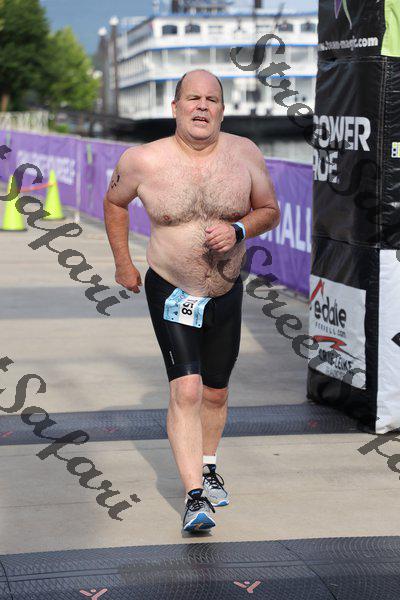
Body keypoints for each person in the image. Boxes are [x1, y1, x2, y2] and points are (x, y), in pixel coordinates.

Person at [104, 69, 280, 532]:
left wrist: (239, 229)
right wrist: (123, 262)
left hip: (225, 288)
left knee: (216, 391)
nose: (202, 106)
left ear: (222, 109)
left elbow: (269, 210)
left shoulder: (245, 153)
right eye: (193, 98)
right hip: (171, 287)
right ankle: (194, 497)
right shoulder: (142, 160)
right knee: (187, 389)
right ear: (176, 106)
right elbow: (115, 202)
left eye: (211, 99)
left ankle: (209, 466)